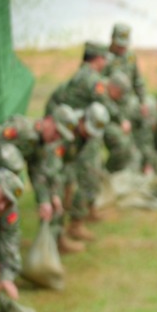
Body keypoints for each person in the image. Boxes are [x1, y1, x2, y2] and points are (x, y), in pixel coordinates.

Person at [0, 105, 83, 252]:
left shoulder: (42, 145)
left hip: (5, 189)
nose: (56, 138)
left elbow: (38, 173)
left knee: (8, 223)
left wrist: (45, 200)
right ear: (49, 120)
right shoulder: (22, 129)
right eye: (57, 132)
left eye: (61, 136)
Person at [0, 168, 38, 312]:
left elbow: (10, 238)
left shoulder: (6, 209)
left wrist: (6, 276)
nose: (1, 205)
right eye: (2, 197)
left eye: (8, 202)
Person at [61, 102, 110, 245]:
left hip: (70, 158)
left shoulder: (87, 135)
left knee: (90, 175)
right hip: (59, 162)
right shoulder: (68, 125)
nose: (88, 134)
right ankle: (64, 232)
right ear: (82, 119)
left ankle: (78, 221)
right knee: (67, 189)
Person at [104, 23, 146, 102]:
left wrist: (142, 101)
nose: (122, 48)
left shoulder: (131, 57)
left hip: (127, 100)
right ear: (112, 39)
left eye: (124, 45)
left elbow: (137, 81)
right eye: (119, 45)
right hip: (109, 100)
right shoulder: (102, 56)